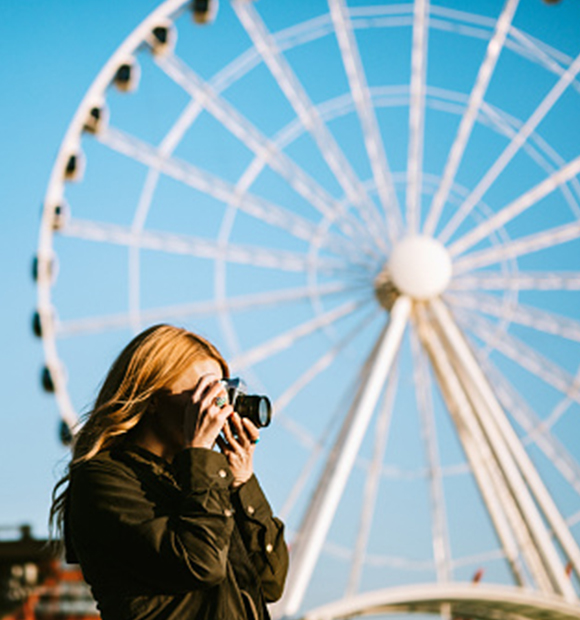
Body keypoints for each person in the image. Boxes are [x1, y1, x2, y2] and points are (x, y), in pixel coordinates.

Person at [50, 324, 288, 620]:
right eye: (205, 393)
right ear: (152, 399)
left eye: (221, 393)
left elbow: (270, 581)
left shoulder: (202, 480)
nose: (217, 408)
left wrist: (242, 482)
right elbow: (200, 564)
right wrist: (201, 456)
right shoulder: (102, 480)